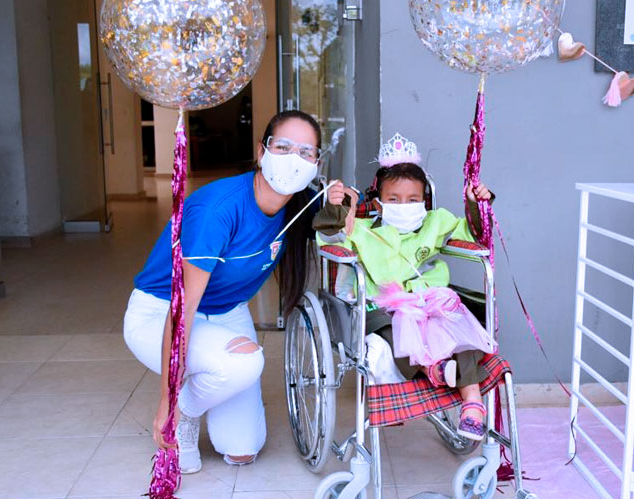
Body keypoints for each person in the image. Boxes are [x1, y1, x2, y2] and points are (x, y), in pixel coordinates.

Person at [124, 110, 325, 474]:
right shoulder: (217, 209)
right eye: (283, 147)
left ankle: (195, 397)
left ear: (316, 164)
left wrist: (347, 200)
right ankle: (184, 414)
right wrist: (167, 402)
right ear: (262, 151)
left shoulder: (302, 204)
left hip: (227, 311)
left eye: (305, 151)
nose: (294, 159)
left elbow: (353, 208)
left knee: (242, 449)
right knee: (244, 363)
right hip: (162, 312)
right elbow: (182, 313)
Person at [312, 133, 496, 441]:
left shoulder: (437, 222)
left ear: (424, 201)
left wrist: (476, 204)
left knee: (458, 328)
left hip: (430, 299)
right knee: (388, 328)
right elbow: (331, 238)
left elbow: (475, 234)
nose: (404, 206)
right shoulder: (363, 230)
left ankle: (473, 402)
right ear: (379, 203)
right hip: (384, 305)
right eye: (394, 200)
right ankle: (430, 370)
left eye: (413, 200)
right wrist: (337, 207)